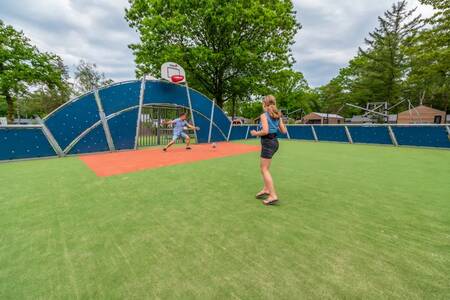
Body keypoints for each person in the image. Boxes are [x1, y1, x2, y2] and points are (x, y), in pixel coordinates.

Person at [250, 95, 287, 205]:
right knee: (266, 168)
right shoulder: (277, 115)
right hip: (275, 142)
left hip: (267, 143)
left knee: (264, 169)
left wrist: (255, 133)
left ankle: (272, 195)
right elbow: (284, 131)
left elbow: (265, 131)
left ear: (264, 104)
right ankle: (266, 189)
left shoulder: (264, 115)